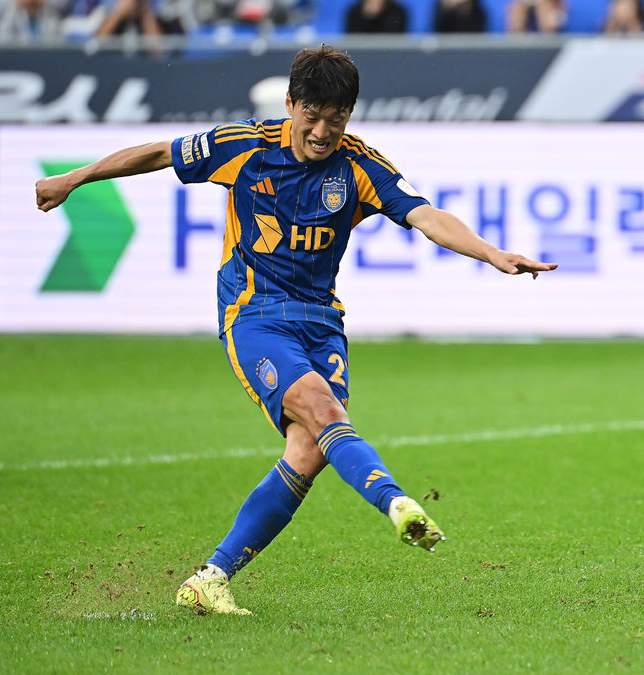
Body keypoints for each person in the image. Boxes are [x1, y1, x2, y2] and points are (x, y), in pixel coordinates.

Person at [34, 45, 557, 616]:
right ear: (290, 103)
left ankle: (209, 579)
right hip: (254, 314)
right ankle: (397, 504)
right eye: (312, 115)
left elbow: (425, 215)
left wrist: (490, 253)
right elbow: (160, 152)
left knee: (309, 452)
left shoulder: (359, 166)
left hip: (321, 322)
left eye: (337, 118)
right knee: (325, 413)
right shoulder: (244, 147)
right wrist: (75, 178)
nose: (322, 132)